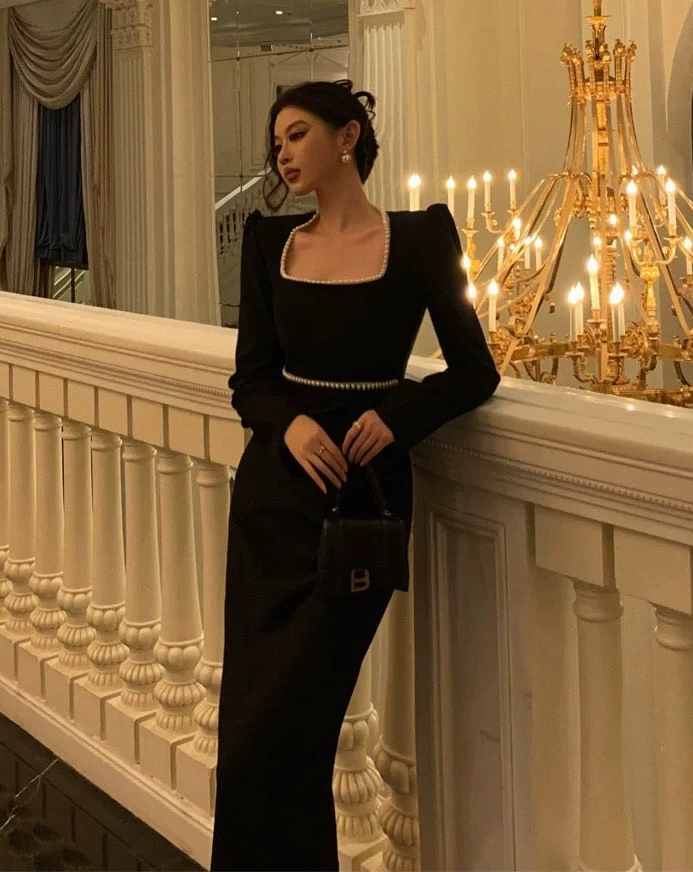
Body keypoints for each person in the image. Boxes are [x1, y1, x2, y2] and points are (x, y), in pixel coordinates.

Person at [210, 79, 500, 871]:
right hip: (272, 508)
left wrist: (399, 415)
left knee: (294, 729)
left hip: (360, 511)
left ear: (347, 138)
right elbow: (250, 381)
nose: (282, 153)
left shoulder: (420, 239)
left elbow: (475, 371)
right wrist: (291, 422)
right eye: (276, 142)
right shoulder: (269, 243)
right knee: (250, 737)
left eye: (297, 134)